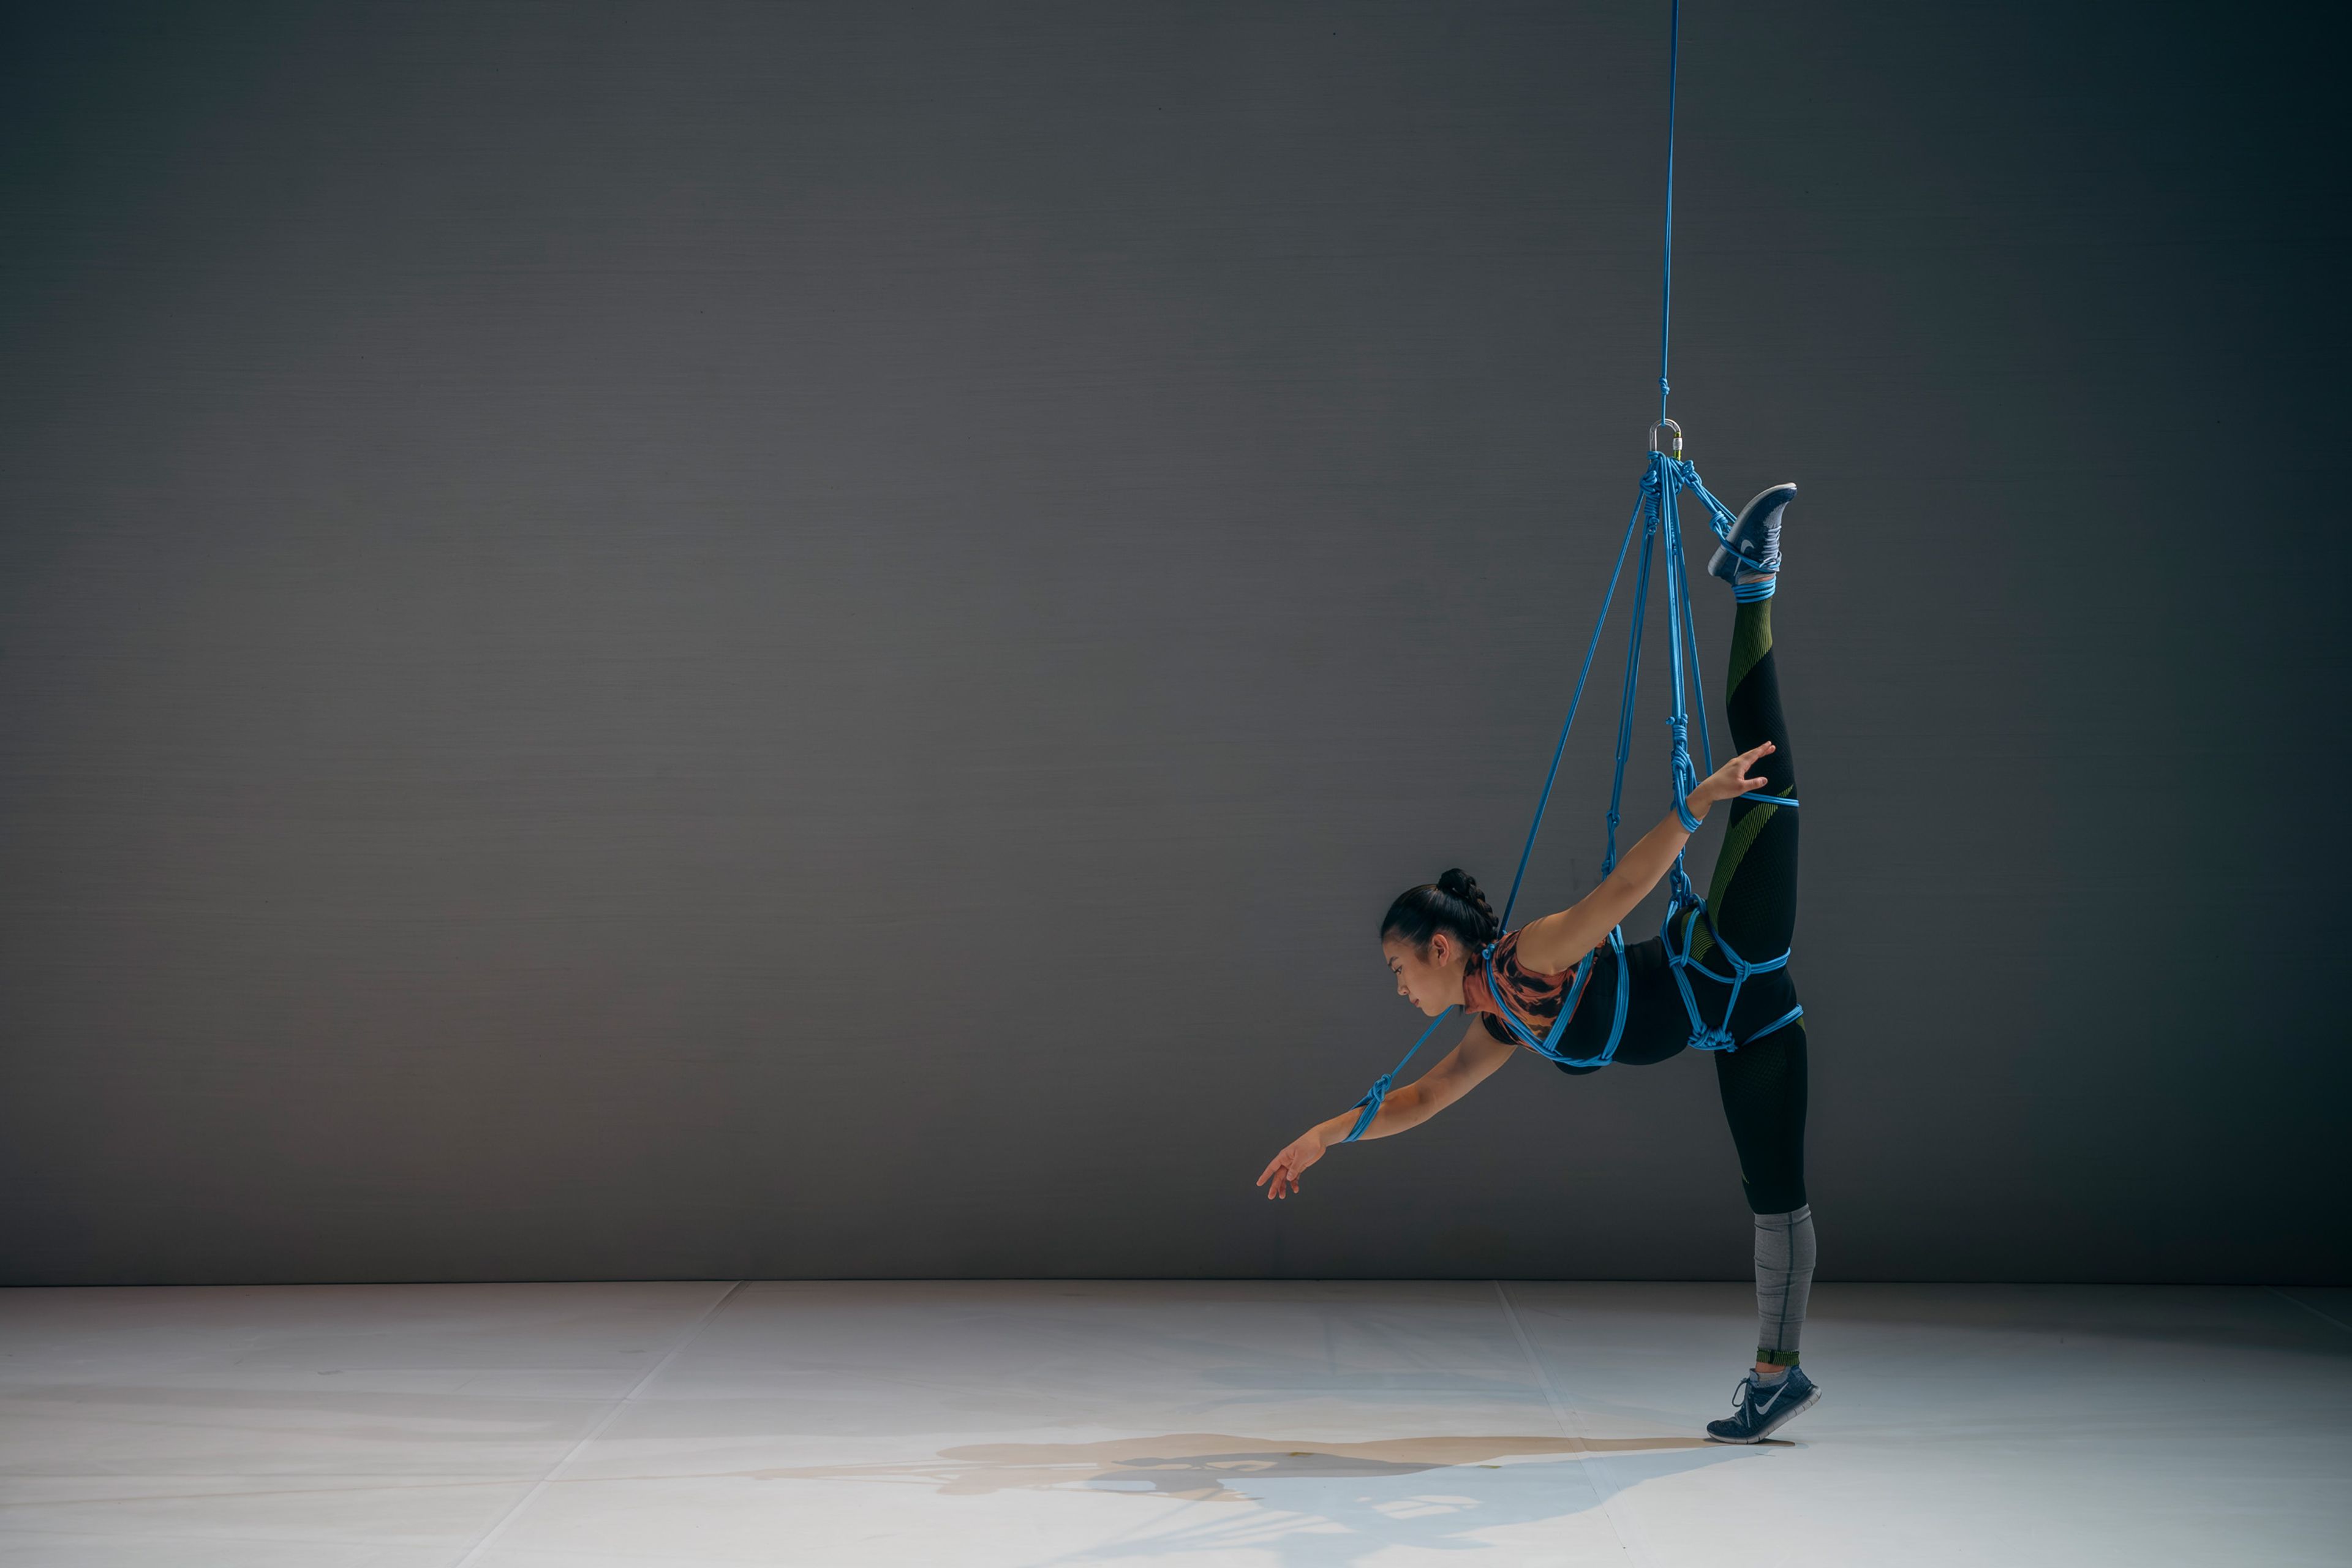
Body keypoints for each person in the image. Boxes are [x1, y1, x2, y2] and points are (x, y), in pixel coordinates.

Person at [1256, 481, 1819, 1444]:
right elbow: (1421, 1100)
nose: (1400, 989)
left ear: (1442, 949)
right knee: (1776, 1195)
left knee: (1770, 783)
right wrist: (1325, 1136)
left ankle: (1754, 582)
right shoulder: (1500, 1021)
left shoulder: (1534, 962)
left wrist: (1699, 804)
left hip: (1728, 958)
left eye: (1401, 970)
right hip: (1750, 1026)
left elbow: (1619, 895)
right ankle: (1777, 1377)